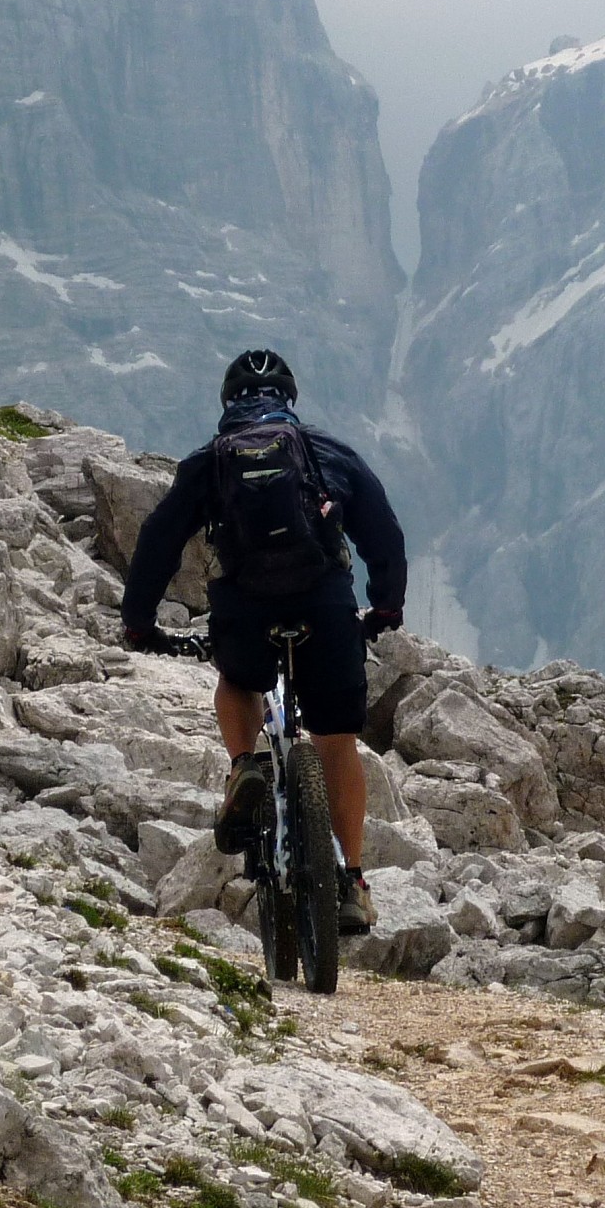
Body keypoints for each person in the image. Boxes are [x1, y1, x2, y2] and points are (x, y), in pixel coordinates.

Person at [120, 350, 404, 936]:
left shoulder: (210, 463)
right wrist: (385, 605)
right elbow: (383, 532)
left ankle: (245, 764)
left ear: (229, 403)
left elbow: (157, 541)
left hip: (246, 604)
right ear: (289, 400)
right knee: (336, 743)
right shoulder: (328, 454)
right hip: (324, 604)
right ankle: (350, 882)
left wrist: (140, 622)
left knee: (238, 679)